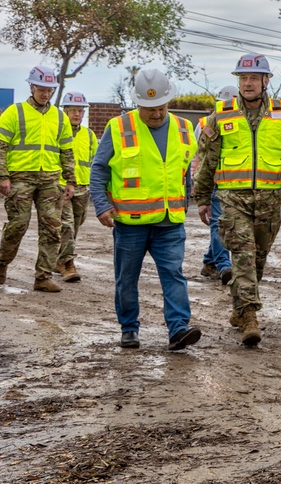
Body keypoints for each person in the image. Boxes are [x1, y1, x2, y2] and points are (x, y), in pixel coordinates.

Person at [194, 54, 281, 347]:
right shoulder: (221, 114)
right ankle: (249, 319)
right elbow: (207, 159)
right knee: (243, 260)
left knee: (257, 262)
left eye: (253, 78)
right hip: (233, 201)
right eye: (243, 78)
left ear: (265, 81)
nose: (247, 83)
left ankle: (238, 306)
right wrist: (202, 197)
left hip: (270, 202)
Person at [90, 68, 202, 351]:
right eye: (150, 108)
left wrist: (187, 199)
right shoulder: (118, 127)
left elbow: (184, 170)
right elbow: (99, 169)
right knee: (126, 278)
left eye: (161, 107)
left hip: (170, 221)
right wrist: (102, 205)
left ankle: (178, 329)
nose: (156, 114)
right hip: (130, 223)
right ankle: (129, 328)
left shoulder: (183, 127)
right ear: (138, 103)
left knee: (174, 274)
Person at [0, 65, 75, 292]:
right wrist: (3, 176)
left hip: (50, 180)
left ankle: (43, 277)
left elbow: (67, 151)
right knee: (18, 224)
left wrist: (70, 180)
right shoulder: (14, 112)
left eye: (49, 89)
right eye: (41, 89)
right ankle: (2, 263)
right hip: (20, 179)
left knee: (52, 228)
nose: (45, 94)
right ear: (31, 86)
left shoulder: (59, 116)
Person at [194, 85, 239, 285]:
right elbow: (199, 157)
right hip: (214, 183)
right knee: (217, 224)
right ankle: (223, 265)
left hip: (234, 182)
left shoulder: (241, 124)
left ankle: (209, 262)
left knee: (224, 225)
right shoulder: (206, 123)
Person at [54, 91, 97, 283]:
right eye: (73, 110)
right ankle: (68, 264)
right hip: (61, 187)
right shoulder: (57, 132)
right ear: (65, 111)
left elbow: (96, 161)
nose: (77, 114)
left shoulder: (89, 135)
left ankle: (59, 259)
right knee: (67, 226)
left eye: (80, 111)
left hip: (83, 187)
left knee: (75, 226)